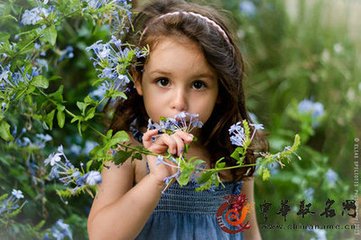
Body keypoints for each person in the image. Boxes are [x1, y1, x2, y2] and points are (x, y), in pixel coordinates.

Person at [87, 0, 266, 239]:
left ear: (221, 91)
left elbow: (249, 234)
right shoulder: (129, 152)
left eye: (198, 84)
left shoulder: (232, 155)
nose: (179, 102)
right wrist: (156, 180)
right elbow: (101, 235)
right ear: (138, 80)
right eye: (163, 81)